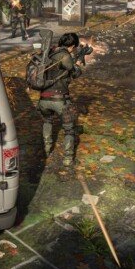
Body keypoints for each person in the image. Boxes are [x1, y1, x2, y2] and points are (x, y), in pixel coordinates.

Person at [38, 33, 83, 170]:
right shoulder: (65, 56)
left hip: (43, 99)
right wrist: (79, 62)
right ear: (72, 46)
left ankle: (46, 150)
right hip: (59, 99)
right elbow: (75, 73)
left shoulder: (49, 52)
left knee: (47, 121)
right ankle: (68, 158)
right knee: (69, 129)